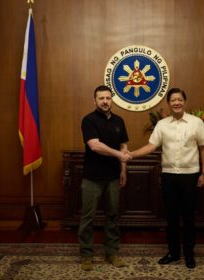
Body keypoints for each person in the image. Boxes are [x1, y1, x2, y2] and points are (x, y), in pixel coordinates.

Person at [129, 88, 204, 269]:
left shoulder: (196, 123)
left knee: (188, 217)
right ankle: (173, 253)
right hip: (169, 177)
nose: (176, 103)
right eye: (173, 100)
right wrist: (131, 155)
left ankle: (189, 254)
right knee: (171, 217)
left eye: (180, 99)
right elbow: (151, 146)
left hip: (190, 177)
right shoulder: (162, 124)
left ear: (184, 101)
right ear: (168, 103)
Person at [78, 85, 130, 271]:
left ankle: (112, 253)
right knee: (88, 217)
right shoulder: (88, 120)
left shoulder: (119, 121)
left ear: (112, 99)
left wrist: (123, 169)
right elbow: (95, 146)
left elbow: (123, 146)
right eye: (101, 98)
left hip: (113, 178)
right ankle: (86, 255)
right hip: (92, 178)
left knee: (113, 216)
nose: (105, 101)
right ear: (95, 101)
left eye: (108, 98)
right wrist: (118, 155)